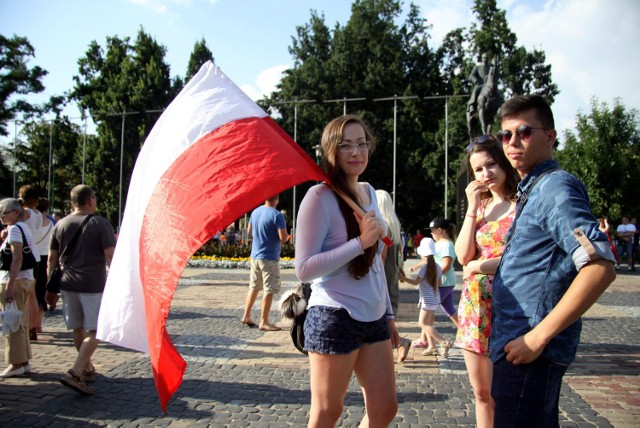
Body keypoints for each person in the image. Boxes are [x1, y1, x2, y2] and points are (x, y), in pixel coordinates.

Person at [491, 95, 616, 426]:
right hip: (519, 346)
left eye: (524, 132)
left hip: (530, 349)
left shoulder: (554, 188)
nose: (513, 142)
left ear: (550, 136)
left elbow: (600, 266)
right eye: (506, 135)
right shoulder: (534, 189)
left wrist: (537, 337)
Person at [295, 115, 398, 427]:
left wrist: (389, 315)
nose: (357, 151)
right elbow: (304, 268)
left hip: (375, 318)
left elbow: (377, 265)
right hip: (335, 316)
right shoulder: (319, 197)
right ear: (331, 151)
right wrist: (360, 242)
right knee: (328, 412)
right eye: (346, 145)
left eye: (362, 143)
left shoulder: (368, 192)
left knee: (384, 409)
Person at [454, 134, 518, 428]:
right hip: (474, 308)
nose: (485, 174)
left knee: (505, 395)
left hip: (510, 306)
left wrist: (481, 265)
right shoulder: (480, 209)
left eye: (490, 164)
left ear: (504, 162)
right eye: (478, 169)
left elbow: (523, 258)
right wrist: (471, 206)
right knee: (481, 394)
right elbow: (461, 255)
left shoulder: (522, 205)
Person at [45, 185, 115, 395]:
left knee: (77, 328)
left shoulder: (60, 224)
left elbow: (52, 259)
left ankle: (87, 368)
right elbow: (111, 255)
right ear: (90, 200)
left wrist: (52, 285)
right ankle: (76, 371)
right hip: (92, 283)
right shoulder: (99, 223)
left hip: (67, 283)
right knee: (98, 330)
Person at [0, 198, 40, 377]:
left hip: (15, 280)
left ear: (16, 212)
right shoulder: (21, 228)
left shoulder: (15, 229)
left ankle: (16, 363)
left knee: (11, 322)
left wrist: (9, 286)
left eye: (5, 212)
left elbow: (17, 258)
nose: (2, 215)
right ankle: (23, 361)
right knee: (20, 321)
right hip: (24, 279)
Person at [241, 195, 289, 331]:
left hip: (255, 256)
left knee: (254, 287)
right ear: (277, 199)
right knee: (269, 289)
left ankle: (246, 315)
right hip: (269, 257)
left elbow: (249, 232)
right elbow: (283, 238)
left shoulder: (255, 212)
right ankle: (264, 321)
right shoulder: (277, 215)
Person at [376, 189, 411, 363]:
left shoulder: (383, 225)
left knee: (381, 316)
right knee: (385, 316)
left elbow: (382, 255)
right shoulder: (394, 225)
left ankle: (399, 343)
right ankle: (399, 343)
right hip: (392, 275)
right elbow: (399, 253)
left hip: (383, 275)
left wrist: (377, 278)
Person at [400, 238, 450, 357]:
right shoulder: (437, 266)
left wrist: (402, 278)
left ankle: (443, 342)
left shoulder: (424, 268)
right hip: (435, 299)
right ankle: (432, 347)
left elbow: (416, 282)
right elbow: (440, 284)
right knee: (429, 324)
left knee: (422, 324)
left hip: (428, 300)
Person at [17, 185, 43, 341]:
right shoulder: (38, 214)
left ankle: (29, 325)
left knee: (27, 295)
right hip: (35, 254)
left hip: (26, 255)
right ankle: (34, 326)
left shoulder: (25, 213)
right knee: (32, 293)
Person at [429, 217, 459, 328]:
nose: (431, 233)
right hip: (444, 281)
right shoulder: (441, 244)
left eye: (432, 230)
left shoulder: (446, 245)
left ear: (440, 230)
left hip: (443, 282)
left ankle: (425, 338)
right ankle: (464, 333)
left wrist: (435, 278)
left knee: (429, 309)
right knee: (449, 309)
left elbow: (446, 265)